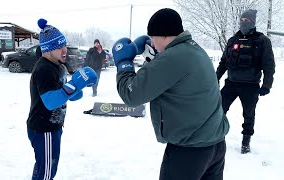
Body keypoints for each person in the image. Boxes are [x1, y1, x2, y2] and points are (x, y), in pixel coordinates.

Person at [112, 8, 229, 180]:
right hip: (215, 145)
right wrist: (153, 61)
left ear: (164, 35)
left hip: (189, 152)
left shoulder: (172, 57)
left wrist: (124, 63)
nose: (152, 42)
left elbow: (132, 95)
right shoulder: (195, 50)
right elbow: (175, 79)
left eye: (153, 37)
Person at [27, 18, 97, 180]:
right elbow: (51, 102)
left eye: (64, 45)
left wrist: (78, 86)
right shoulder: (43, 69)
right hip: (44, 128)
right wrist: (74, 84)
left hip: (52, 126)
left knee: (44, 167)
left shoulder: (58, 66)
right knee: (46, 171)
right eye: (59, 47)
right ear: (48, 49)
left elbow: (68, 95)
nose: (64, 49)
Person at [216, 9, 275, 154]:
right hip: (231, 83)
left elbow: (269, 65)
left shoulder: (262, 41)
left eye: (246, 21)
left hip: (251, 86)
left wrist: (267, 85)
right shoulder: (232, 40)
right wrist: (215, 78)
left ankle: (246, 141)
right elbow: (224, 62)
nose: (243, 23)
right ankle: (217, 137)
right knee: (219, 110)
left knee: (248, 114)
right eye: (241, 20)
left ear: (252, 22)